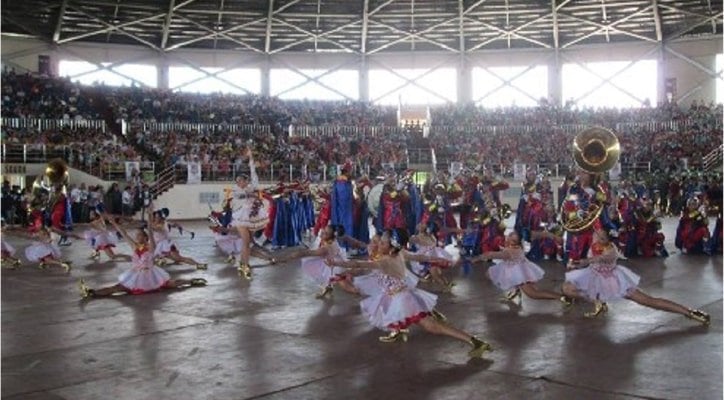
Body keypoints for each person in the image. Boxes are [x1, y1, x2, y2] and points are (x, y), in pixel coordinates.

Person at [325, 228, 492, 358]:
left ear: (392, 247)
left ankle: (474, 341)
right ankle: (400, 332)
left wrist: (336, 262)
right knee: (392, 314)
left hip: (403, 299)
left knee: (433, 327)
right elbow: (418, 258)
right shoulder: (398, 254)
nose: (378, 245)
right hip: (398, 295)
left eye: (382, 243)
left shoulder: (385, 261)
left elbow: (358, 264)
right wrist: (436, 259)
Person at [562, 229, 710, 325]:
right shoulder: (593, 240)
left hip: (613, 281)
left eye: (602, 236)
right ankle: (598, 301)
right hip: (594, 277)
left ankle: (690, 312)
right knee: (567, 288)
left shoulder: (611, 249)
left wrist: (586, 261)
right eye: (597, 234)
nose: (598, 237)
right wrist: (576, 264)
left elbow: (599, 258)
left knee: (649, 301)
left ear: (608, 238)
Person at [78, 204, 207, 298]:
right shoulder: (134, 246)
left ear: (145, 238)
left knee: (172, 283)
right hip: (136, 276)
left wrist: (149, 217)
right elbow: (123, 233)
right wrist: (113, 222)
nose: (136, 236)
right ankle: (91, 292)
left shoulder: (151, 247)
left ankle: (192, 281)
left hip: (150, 275)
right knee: (116, 288)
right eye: (136, 235)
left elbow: (150, 232)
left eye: (139, 235)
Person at [472, 231, 562, 305]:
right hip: (515, 268)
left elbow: (492, 254)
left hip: (520, 273)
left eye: (512, 240)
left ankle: (562, 298)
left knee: (533, 294)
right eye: (510, 235)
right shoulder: (515, 246)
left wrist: (478, 258)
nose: (509, 238)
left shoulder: (510, 251)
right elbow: (541, 234)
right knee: (490, 274)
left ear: (516, 242)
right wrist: (553, 236)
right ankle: (515, 290)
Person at [230, 147, 273, 279]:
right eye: (237, 181)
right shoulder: (236, 190)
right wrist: (250, 194)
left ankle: (243, 264)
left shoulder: (252, 184)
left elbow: (253, 171)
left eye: (240, 181)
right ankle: (245, 265)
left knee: (248, 243)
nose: (238, 183)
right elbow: (240, 196)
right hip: (242, 217)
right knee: (246, 241)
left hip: (254, 216)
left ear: (245, 181)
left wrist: (251, 158)